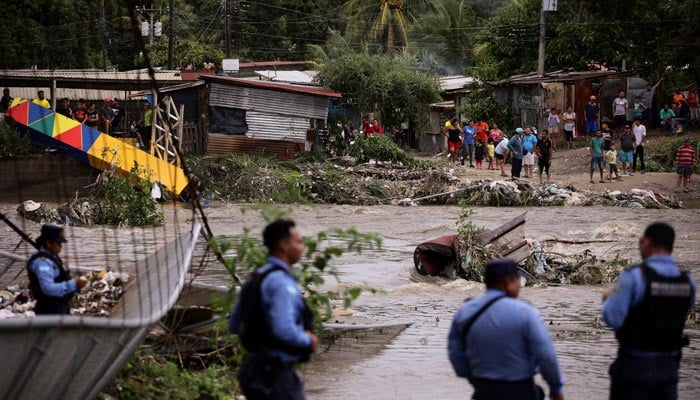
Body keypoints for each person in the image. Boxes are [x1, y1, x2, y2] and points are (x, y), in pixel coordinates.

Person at [602, 223, 695, 400]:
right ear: (671, 246)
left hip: (634, 367)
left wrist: (609, 297)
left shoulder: (634, 277)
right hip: (669, 369)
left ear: (647, 242)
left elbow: (611, 317)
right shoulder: (687, 281)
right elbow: (682, 311)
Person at [448, 258, 565, 400]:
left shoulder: (465, 312)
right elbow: (545, 355)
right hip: (520, 391)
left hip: (483, 392)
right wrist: (555, 389)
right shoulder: (526, 312)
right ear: (509, 282)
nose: (520, 286)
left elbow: (455, 354)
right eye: (518, 281)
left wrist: (473, 378)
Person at [229, 219, 319, 400]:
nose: (303, 247)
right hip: (275, 376)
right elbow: (283, 329)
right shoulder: (281, 283)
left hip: (252, 370)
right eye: (299, 241)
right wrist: (308, 340)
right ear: (283, 245)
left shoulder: (257, 277)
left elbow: (234, 324)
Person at [26, 224, 88, 315]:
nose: (60, 246)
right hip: (49, 310)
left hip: (60, 306)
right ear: (49, 243)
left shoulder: (52, 258)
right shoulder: (42, 263)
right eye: (58, 243)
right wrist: (73, 283)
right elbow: (48, 288)